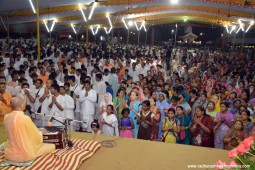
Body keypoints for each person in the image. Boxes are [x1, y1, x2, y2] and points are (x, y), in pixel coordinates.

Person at [4, 96, 55, 163]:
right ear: (21, 105)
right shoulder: (25, 118)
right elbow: (35, 135)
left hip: (9, 154)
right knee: (52, 146)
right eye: (24, 103)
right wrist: (41, 133)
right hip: (24, 155)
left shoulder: (6, 117)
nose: (26, 104)